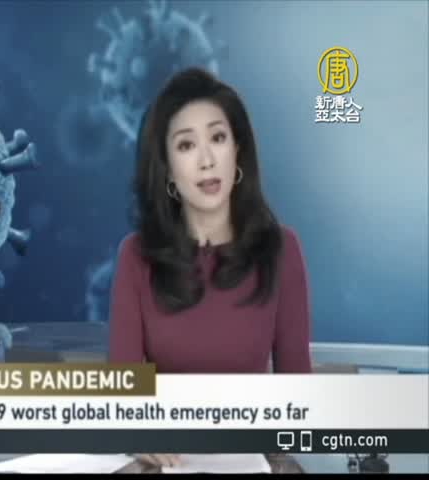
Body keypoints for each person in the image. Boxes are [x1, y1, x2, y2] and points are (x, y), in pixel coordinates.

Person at [107, 68, 313, 468]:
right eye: (186, 145)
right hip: (169, 462)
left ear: (238, 150)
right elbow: (122, 396)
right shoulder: (136, 256)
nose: (206, 161)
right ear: (167, 167)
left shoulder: (281, 249)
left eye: (217, 138)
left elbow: (297, 398)